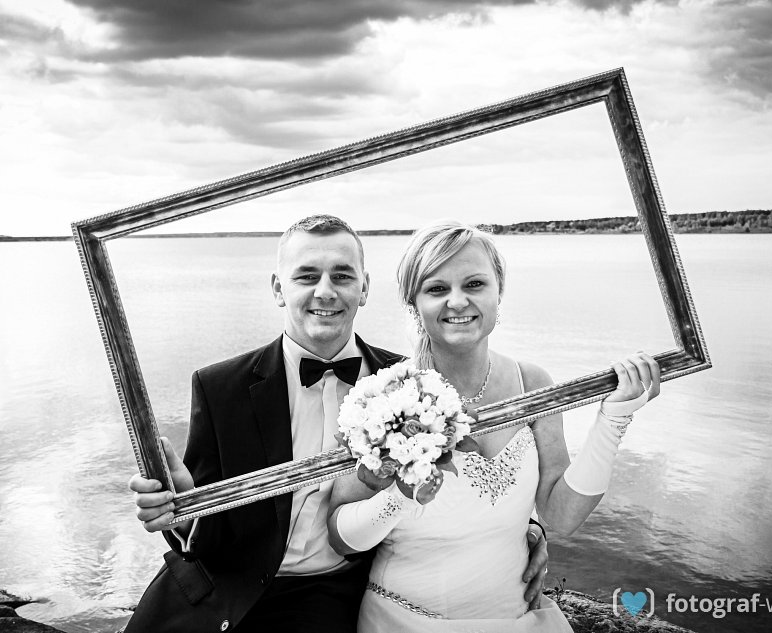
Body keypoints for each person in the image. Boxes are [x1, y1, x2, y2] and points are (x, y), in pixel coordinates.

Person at [124, 215, 550, 633]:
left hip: (327, 596)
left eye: (342, 276)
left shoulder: (412, 385)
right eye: (307, 276)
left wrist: (522, 532)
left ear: (364, 288)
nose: (325, 292)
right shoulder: (220, 386)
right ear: (278, 289)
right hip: (217, 589)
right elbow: (206, 530)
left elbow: (454, 489)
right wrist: (181, 512)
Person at [328, 219, 661, 632]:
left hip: (517, 621)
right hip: (403, 621)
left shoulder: (532, 383)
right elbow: (340, 537)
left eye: (474, 284)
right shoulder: (385, 398)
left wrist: (615, 418)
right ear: (413, 304)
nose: (457, 301)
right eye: (437, 289)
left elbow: (561, 516)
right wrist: (400, 496)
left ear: (498, 292)